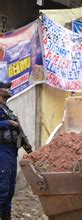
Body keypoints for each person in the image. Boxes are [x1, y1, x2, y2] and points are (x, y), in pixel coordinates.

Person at [0, 82, 32, 219]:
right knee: (2, 189)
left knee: (9, 191)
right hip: (2, 151)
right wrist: (7, 123)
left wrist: (29, 149)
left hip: (12, 152)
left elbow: (20, 133)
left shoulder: (7, 110)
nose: (9, 89)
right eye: (6, 88)